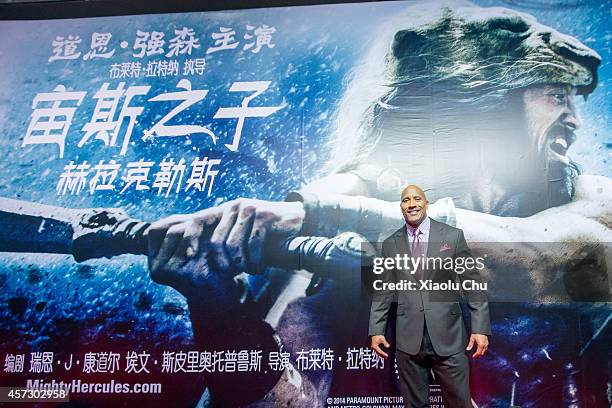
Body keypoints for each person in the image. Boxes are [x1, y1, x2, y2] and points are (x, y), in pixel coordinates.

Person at [146, 1, 610, 406]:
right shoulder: (334, 245)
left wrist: (314, 212)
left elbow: (556, 259)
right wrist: (220, 312)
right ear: (481, 103)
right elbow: (289, 404)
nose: (573, 119)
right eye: (556, 95)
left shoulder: (590, 199)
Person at [368, 184, 490, 408]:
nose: (411, 204)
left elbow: (472, 284)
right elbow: (383, 291)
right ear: (401, 207)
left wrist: (480, 327)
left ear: (426, 204)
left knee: (459, 403)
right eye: (406, 200)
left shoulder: (452, 236)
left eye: (416, 199)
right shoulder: (390, 244)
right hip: (408, 340)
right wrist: (376, 330)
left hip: (449, 336)